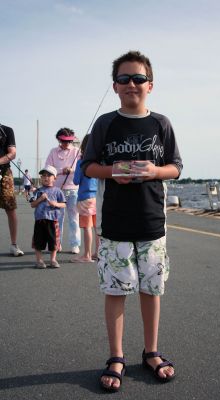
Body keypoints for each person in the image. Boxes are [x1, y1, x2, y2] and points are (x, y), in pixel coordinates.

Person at [82, 50, 183, 391]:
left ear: (150, 85)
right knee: (115, 289)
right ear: (115, 86)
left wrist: (155, 171)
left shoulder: (161, 124)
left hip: (153, 223)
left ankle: (151, 351)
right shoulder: (105, 124)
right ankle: (116, 355)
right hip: (115, 225)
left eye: (138, 79)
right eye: (124, 79)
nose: (131, 85)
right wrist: (114, 171)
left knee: (151, 289)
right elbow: (89, 166)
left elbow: (176, 167)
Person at [45, 128, 81, 254]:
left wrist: (71, 170)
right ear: (59, 139)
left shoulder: (77, 151)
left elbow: (82, 169)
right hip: (57, 190)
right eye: (64, 141)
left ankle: (75, 244)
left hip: (73, 189)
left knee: (74, 218)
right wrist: (61, 171)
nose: (67, 143)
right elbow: (47, 169)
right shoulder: (53, 152)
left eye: (69, 141)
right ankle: (56, 243)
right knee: (57, 218)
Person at [30, 165, 66, 268]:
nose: (45, 178)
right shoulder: (38, 191)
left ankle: (53, 259)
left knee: (53, 241)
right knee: (38, 241)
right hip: (40, 220)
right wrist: (40, 198)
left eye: (49, 175)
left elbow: (64, 204)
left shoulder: (58, 191)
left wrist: (56, 204)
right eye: (43, 175)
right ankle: (39, 260)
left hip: (53, 220)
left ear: (55, 178)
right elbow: (33, 204)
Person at [72, 134, 99, 263]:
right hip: (97, 197)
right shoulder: (99, 162)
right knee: (96, 227)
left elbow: (76, 181)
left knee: (86, 226)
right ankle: (97, 253)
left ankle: (87, 255)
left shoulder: (80, 162)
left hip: (85, 198)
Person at [0, 123, 24, 256]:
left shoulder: (7, 130)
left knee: (10, 208)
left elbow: (12, 153)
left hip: (4, 173)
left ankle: (14, 244)